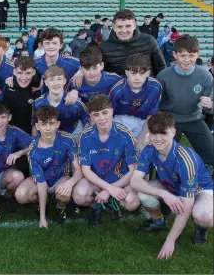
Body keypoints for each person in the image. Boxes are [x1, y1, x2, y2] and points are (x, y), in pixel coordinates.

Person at [130, 112, 213, 259]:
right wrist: (164, 194)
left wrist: (170, 240)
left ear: (173, 132)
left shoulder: (185, 159)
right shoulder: (149, 150)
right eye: (153, 133)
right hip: (172, 187)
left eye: (163, 133)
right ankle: (159, 222)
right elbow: (135, 181)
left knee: (204, 215)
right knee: (143, 192)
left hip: (200, 190)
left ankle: (201, 229)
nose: (158, 138)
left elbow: (186, 206)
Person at [73, 95, 140, 225]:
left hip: (120, 180)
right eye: (96, 115)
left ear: (112, 111)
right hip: (96, 181)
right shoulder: (85, 136)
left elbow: (133, 171)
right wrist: (109, 189)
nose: (101, 118)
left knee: (132, 202)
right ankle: (97, 204)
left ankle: (111, 200)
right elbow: (86, 171)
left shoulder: (125, 134)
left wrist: (109, 190)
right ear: (91, 117)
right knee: (79, 196)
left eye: (105, 113)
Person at [16, 105, 83, 227]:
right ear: (37, 126)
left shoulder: (67, 140)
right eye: (43, 124)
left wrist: (70, 183)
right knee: (21, 195)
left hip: (60, 178)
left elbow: (79, 170)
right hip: (42, 181)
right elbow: (41, 183)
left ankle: (60, 206)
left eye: (51, 124)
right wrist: (42, 218)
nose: (48, 128)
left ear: (57, 124)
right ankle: (43, 203)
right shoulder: (33, 150)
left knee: (64, 192)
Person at [156, 35, 213, 171]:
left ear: (197, 55)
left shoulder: (205, 76)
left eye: (191, 55)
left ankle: (207, 181)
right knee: (163, 156)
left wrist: (210, 105)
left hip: (194, 118)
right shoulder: (164, 75)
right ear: (175, 55)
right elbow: (157, 103)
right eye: (183, 55)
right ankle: (162, 181)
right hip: (169, 120)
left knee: (211, 153)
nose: (187, 60)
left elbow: (211, 106)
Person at [109, 53, 162, 150]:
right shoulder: (117, 90)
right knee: (119, 148)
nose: (137, 77)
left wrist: (141, 139)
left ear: (148, 73)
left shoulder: (155, 87)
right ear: (127, 73)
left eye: (141, 73)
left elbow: (151, 114)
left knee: (144, 147)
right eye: (133, 73)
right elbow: (109, 115)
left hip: (143, 120)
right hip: (121, 119)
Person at [98, 9, 166, 76]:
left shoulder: (149, 41)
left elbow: (161, 69)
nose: (124, 30)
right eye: (119, 26)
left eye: (128, 26)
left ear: (134, 25)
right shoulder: (104, 47)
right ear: (114, 27)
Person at [33, 65, 88, 139]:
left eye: (59, 79)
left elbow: (88, 123)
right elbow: (34, 125)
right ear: (46, 82)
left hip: (74, 137)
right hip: (48, 140)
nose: (56, 83)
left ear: (64, 81)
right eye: (51, 80)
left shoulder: (76, 103)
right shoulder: (38, 103)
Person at [35, 28, 80, 93]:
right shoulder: (34, 64)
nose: (51, 46)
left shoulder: (72, 63)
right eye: (47, 43)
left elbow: (93, 67)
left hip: (66, 101)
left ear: (61, 45)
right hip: (41, 102)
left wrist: (81, 71)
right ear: (41, 45)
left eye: (54, 43)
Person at [3, 56, 41, 134]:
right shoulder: (9, 85)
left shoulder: (38, 86)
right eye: (20, 73)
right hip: (12, 131)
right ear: (14, 72)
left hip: (32, 132)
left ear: (34, 72)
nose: (24, 78)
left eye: (28, 73)